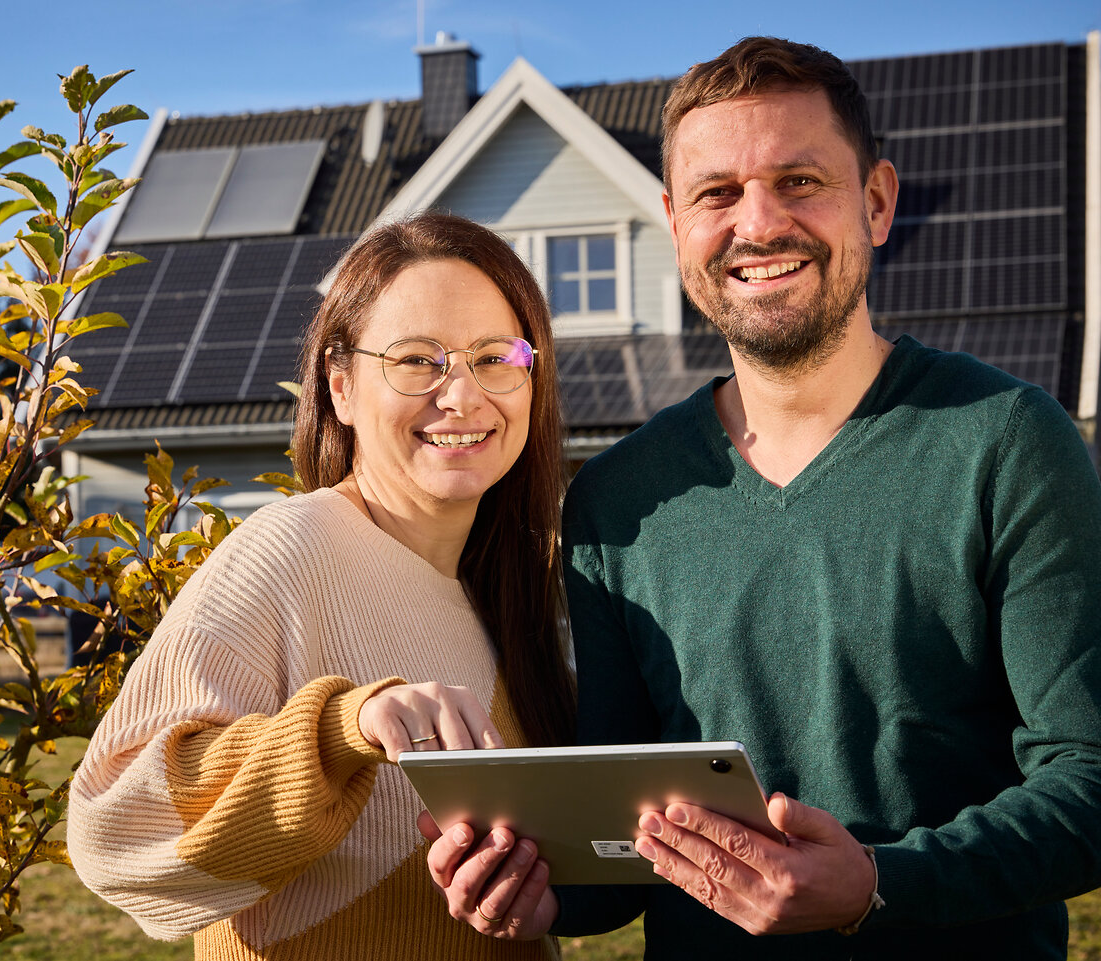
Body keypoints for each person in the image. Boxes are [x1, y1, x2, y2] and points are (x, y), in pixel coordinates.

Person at [423, 36, 1101, 958]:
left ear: (876, 201)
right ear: (674, 222)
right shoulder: (618, 501)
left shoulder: (1009, 442)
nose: (759, 222)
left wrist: (878, 884)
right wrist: (536, 889)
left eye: (800, 181)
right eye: (717, 193)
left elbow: (1090, 777)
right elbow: (625, 850)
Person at [66, 211, 575, 960]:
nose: (462, 396)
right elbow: (112, 828)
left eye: (494, 357)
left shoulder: (508, 588)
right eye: (416, 360)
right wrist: (342, 728)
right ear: (340, 385)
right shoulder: (288, 551)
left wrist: (530, 909)